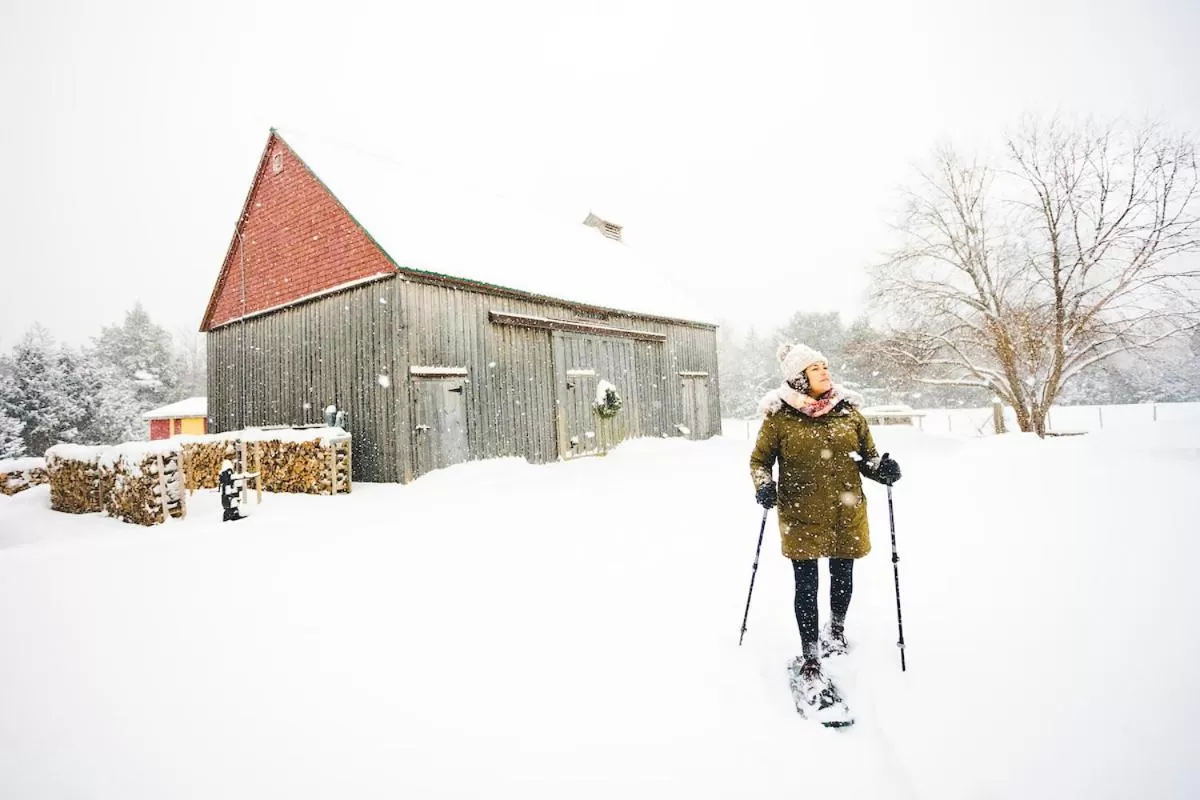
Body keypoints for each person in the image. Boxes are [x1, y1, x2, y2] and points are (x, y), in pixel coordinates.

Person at [749, 343, 901, 708]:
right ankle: (811, 656)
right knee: (806, 584)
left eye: (826, 366)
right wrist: (764, 486)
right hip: (801, 513)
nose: (825, 371)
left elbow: (867, 458)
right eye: (815, 368)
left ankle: (836, 632)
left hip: (844, 512)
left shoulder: (849, 412)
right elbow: (759, 461)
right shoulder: (780, 417)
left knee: (843, 575)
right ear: (800, 378)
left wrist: (882, 469)